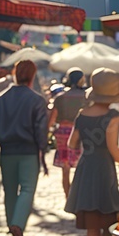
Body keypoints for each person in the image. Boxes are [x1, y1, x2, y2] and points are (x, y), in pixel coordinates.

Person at [65, 68, 119, 236]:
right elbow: (114, 150)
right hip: (104, 172)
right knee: (107, 224)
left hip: (85, 170)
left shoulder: (82, 115)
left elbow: (72, 143)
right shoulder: (113, 116)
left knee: (92, 227)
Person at [0, 60, 49, 236]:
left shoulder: (1, 97)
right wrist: (43, 151)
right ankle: (18, 224)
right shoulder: (37, 100)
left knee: (10, 191)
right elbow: (41, 130)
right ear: (32, 76)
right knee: (28, 189)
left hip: (7, 151)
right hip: (28, 151)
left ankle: (12, 225)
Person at [50, 68, 87, 197]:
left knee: (65, 168)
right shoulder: (86, 96)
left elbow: (52, 119)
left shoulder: (60, 97)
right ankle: (80, 197)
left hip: (62, 133)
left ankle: (68, 198)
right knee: (82, 165)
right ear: (80, 79)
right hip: (81, 132)